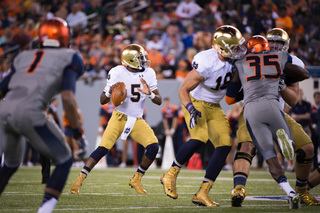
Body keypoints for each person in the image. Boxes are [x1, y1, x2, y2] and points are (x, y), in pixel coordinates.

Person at [0, 17, 85, 213]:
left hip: (4, 111)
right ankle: (44, 210)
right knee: (64, 159)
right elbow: (68, 97)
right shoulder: (71, 56)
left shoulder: (24, 56)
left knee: (11, 164)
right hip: (30, 112)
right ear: (65, 37)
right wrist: (76, 130)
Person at [227, 28, 319, 207]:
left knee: (307, 148)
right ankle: (239, 188)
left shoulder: (283, 60)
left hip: (271, 108)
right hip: (263, 107)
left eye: (280, 43)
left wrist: (280, 82)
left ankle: (301, 190)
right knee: (246, 146)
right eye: (273, 42)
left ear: (286, 45)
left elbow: (292, 100)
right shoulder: (284, 60)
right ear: (266, 43)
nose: (276, 46)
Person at [160, 25, 247, 207]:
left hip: (214, 106)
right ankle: (170, 174)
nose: (239, 50)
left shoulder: (235, 63)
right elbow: (183, 89)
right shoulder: (207, 61)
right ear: (222, 47)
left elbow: (231, 95)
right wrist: (191, 108)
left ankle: (202, 192)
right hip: (196, 102)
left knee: (224, 144)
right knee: (200, 138)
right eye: (234, 47)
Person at [70, 44, 162, 195]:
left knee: (153, 147)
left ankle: (137, 178)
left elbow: (158, 100)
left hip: (137, 119)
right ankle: (79, 179)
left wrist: (150, 94)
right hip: (119, 117)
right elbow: (102, 100)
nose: (144, 60)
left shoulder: (149, 73)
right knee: (103, 148)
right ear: (131, 60)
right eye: (140, 58)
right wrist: (110, 93)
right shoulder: (117, 72)